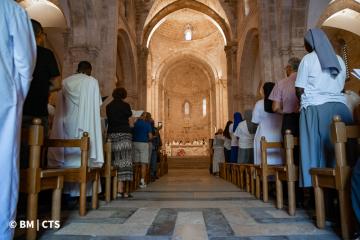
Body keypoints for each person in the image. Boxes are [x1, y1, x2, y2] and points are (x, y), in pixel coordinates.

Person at [295, 28, 352, 188]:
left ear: (310, 43)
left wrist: (303, 102)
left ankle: (318, 195)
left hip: (316, 110)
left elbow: (299, 89)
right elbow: (341, 87)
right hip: (341, 110)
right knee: (340, 154)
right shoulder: (340, 60)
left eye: (305, 43)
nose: (305, 46)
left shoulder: (308, 59)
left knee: (315, 153)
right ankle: (341, 193)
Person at [0, 1, 36, 238]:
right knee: (3, 162)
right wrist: (17, 95)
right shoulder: (9, 9)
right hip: (3, 93)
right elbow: (25, 61)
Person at [48, 61, 104, 196]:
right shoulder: (91, 82)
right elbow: (97, 104)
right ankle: (84, 194)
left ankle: (67, 192)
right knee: (83, 155)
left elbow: (60, 106)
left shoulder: (65, 82)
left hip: (67, 123)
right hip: (84, 124)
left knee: (68, 154)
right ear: (88, 70)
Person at [22, 19, 61, 137]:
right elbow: (57, 84)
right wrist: (42, 89)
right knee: (37, 150)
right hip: (38, 111)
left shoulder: (14, 51)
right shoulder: (46, 54)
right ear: (40, 35)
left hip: (16, 110)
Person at [106, 87, 133, 198]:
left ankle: (115, 190)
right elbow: (129, 115)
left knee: (114, 160)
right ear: (124, 95)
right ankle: (124, 191)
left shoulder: (108, 106)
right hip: (124, 134)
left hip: (112, 134)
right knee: (125, 161)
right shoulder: (125, 105)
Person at [252, 82, 283, 165]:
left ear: (264, 91)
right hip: (278, 135)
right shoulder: (280, 103)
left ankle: (263, 175)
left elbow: (255, 121)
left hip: (263, 136)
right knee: (278, 158)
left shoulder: (259, 104)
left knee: (263, 160)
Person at [269, 57, 301, 137]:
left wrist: (287, 112)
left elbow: (275, 108)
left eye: (286, 68)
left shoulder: (281, 83)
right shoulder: (308, 81)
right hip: (306, 118)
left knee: (290, 147)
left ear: (289, 68)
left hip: (289, 121)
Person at [133, 112, 153, 188]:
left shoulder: (135, 123)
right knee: (143, 164)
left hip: (134, 143)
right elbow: (150, 136)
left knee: (135, 163)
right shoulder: (147, 124)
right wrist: (146, 138)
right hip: (143, 144)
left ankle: (135, 181)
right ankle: (142, 181)